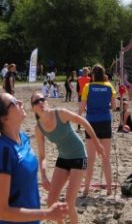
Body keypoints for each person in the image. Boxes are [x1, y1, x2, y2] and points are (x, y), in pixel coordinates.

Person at [0, 93, 68, 223]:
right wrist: (47, 213)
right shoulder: (3, 150)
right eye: (13, 102)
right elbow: (3, 212)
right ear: (4, 118)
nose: (19, 101)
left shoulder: (24, 138)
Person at [31, 91, 104, 224]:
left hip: (79, 156)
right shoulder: (39, 128)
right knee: (51, 201)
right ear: (33, 108)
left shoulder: (60, 113)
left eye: (42, 99)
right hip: (63, 158)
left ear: (46, 101)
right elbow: (42, 156)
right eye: (36, 101)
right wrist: (43, 176)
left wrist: (97, 143)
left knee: (69, 203)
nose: (40, 102)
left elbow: (84, 122)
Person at [79, 64, 116, 196]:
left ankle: (87, 189)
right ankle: (110, 189)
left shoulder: (88, 87)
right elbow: (114, 106)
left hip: (91, 123)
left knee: (91, 159)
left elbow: (82, 108)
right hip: (105, 121)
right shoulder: (109, 86)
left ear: (93, 75)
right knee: (106, 158)